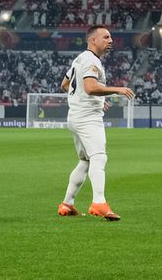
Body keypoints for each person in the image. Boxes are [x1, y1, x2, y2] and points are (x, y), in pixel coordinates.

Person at [57, 25, 135, 221]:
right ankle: (99, 202)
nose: (111, 41)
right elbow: (90, 87)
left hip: (75, 117)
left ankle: (67, 204)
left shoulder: (79, 59)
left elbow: (65, 84)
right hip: (87, 119)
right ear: (93, 40)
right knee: (99, 158)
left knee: (85, 161)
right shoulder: (92, 61)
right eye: (106, 37)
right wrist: (117, 89)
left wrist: (97, 100)